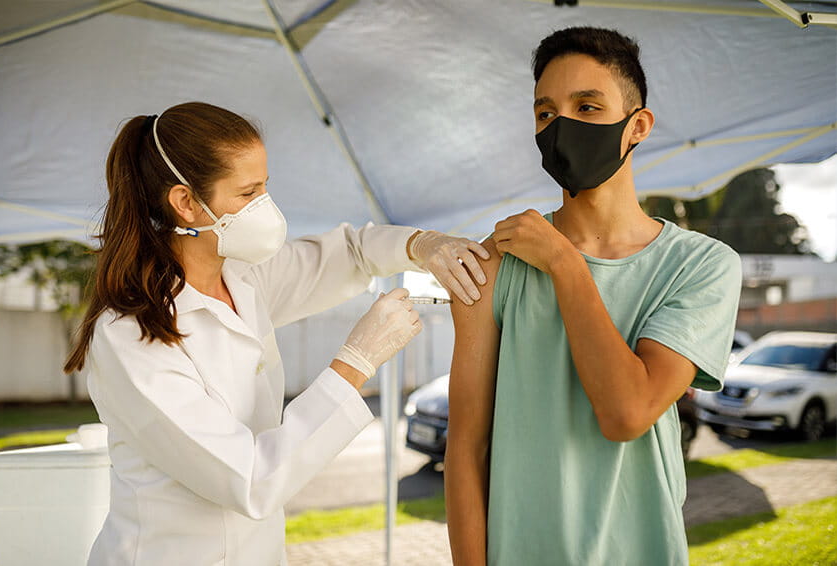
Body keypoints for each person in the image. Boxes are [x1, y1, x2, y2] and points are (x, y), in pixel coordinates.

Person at [63, 101, 489, 566]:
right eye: (248, 194)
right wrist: (356, 363)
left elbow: (352, 251)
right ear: (186, 203)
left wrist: (422, 245)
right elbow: (250, 479)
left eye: (266, 187)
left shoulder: (246, 278)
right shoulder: (129, 335)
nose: (265, 207)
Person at [444, 27, 742, 565]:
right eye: (545, 113)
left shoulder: (702, 266)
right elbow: (466, 449)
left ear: (638, 126)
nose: (562, 128)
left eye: (587, 106)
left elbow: (627, 413)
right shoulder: (494, 265)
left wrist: (563, 262)